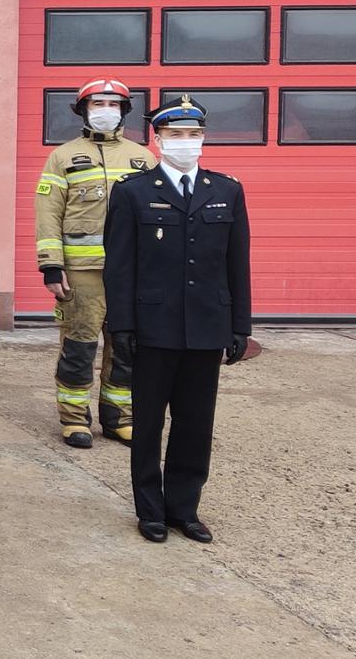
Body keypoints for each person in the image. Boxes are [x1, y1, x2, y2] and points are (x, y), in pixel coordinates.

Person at [105, 94, 251, 545]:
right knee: (147, 423)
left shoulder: (226, 189)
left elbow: (237, 262)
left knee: (195, 423)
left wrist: (239, 326)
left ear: (203, 138)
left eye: (193, 134)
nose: (185, 142)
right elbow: (120, 266)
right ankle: (149, 510)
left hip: (207, 326)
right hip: (154, 327)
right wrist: (122, 325)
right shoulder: (133, 192)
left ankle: (184, 509)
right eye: (175, 135)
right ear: (157, 139)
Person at [36, 77, 155, 448]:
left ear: (124, 111)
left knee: (127, 347)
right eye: (98, 105)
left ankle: (119, 418)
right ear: (84, 111)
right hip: (80, 275)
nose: (106, 112)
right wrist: (51, 265)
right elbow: (48, 213)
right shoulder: (63, 156)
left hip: (131, 274)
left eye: (113, 105)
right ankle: (74, 419)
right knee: (79, 346)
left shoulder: (144, 158)